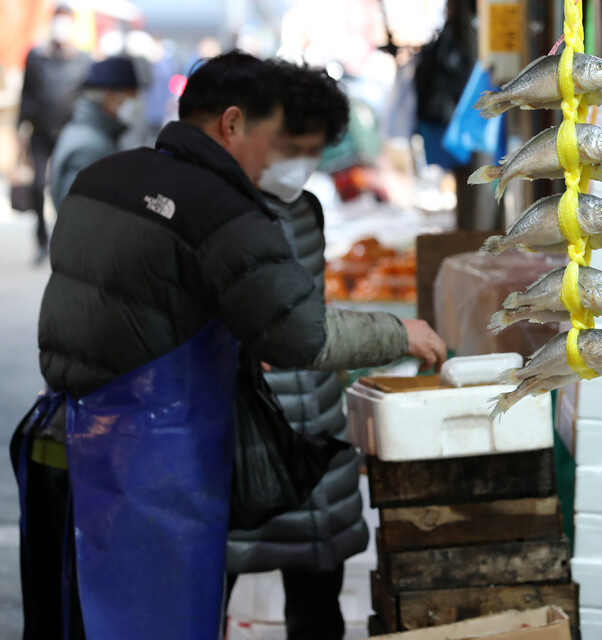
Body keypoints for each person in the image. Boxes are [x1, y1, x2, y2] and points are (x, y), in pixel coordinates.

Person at [14, 50, 445, 640]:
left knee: (92, 610)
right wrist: (399, 333)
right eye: (273, 139)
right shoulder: (221, 210)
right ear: (233, 123)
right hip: (166, 459)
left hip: (74, 440)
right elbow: (301, 335)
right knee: (168, 616)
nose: (274, 159)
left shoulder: (103, 180)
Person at [224, 59, 413, 639]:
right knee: (208, 598)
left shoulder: (307, 209)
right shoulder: (216, 213)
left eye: (311, 150)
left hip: (316, 437)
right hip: (248, 443)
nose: (298, 164)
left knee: (317, 611)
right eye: (289, 146)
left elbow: (311, 314)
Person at [17, 4, 91, 262]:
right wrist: (20, 129)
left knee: (65, 188)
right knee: (38, 186)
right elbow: (26, 94)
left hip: (69, 135)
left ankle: (65, 238)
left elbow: (87, 98)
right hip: (40, 133)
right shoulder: (37, 57)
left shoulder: (83, 60)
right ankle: (41, 239)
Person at [49, 56, 141, 212]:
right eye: (131, 95)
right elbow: (77, 215)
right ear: (110, 97)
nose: (137, 102)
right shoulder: (90, 148)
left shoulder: (89, 133)